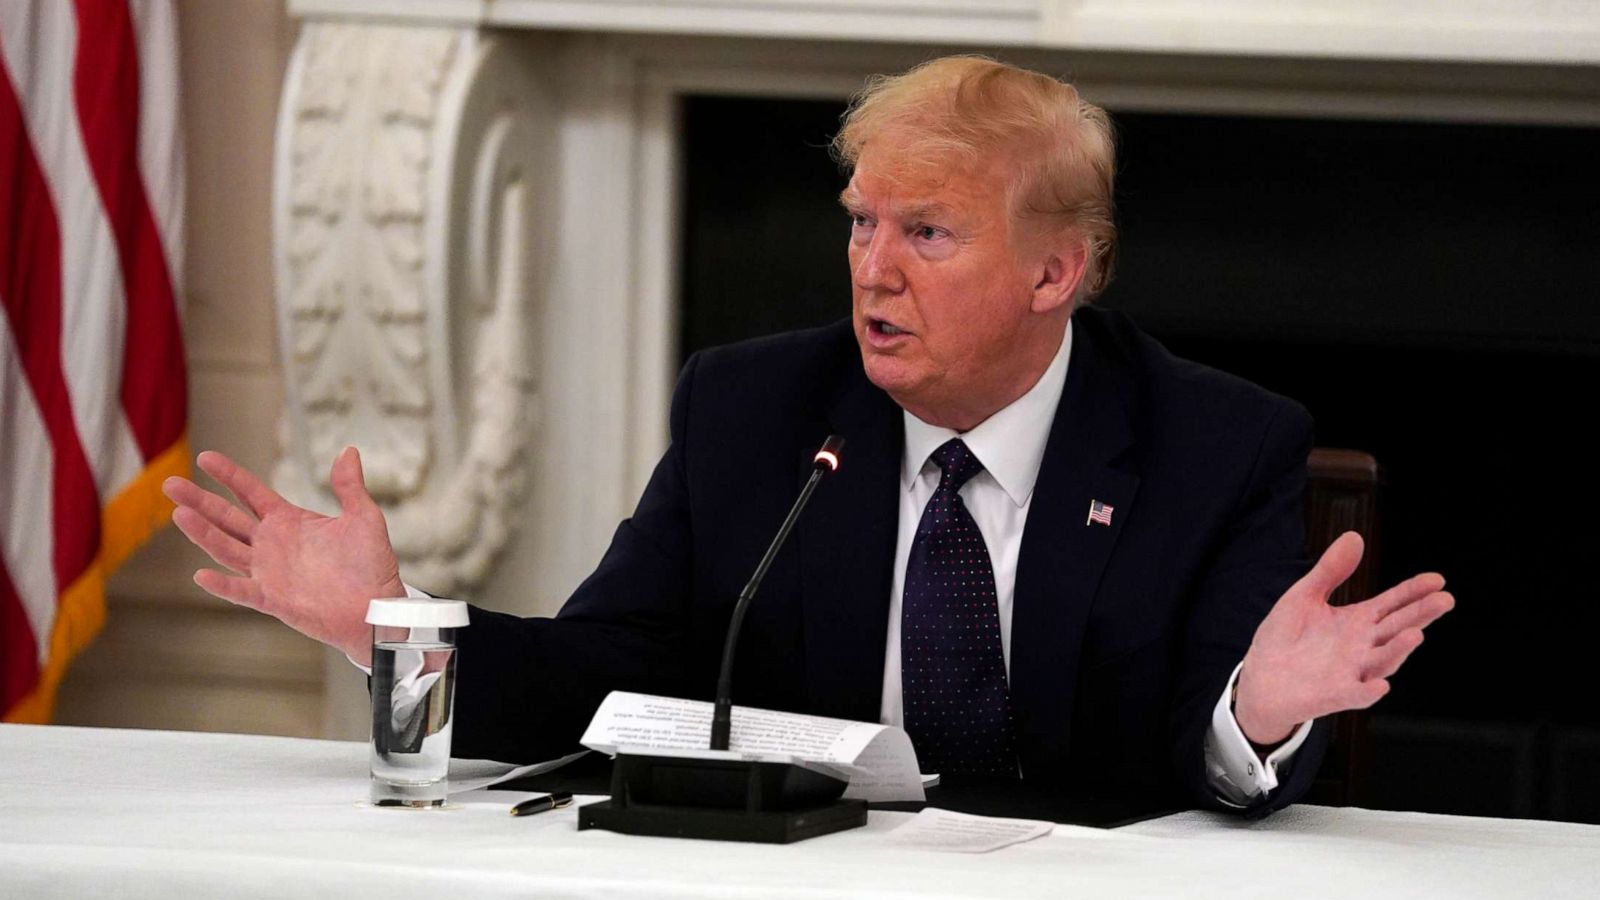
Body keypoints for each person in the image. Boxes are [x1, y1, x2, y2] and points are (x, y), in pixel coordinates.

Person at [163, 56, 1452, 817]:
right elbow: (601, 681)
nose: (871, 273)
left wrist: (1257, 710)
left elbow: (1212, 758)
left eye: (926, 235)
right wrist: (391, 625)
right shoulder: (757, 410)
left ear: (1058, 272)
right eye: (858, 223)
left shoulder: (1216, 444)